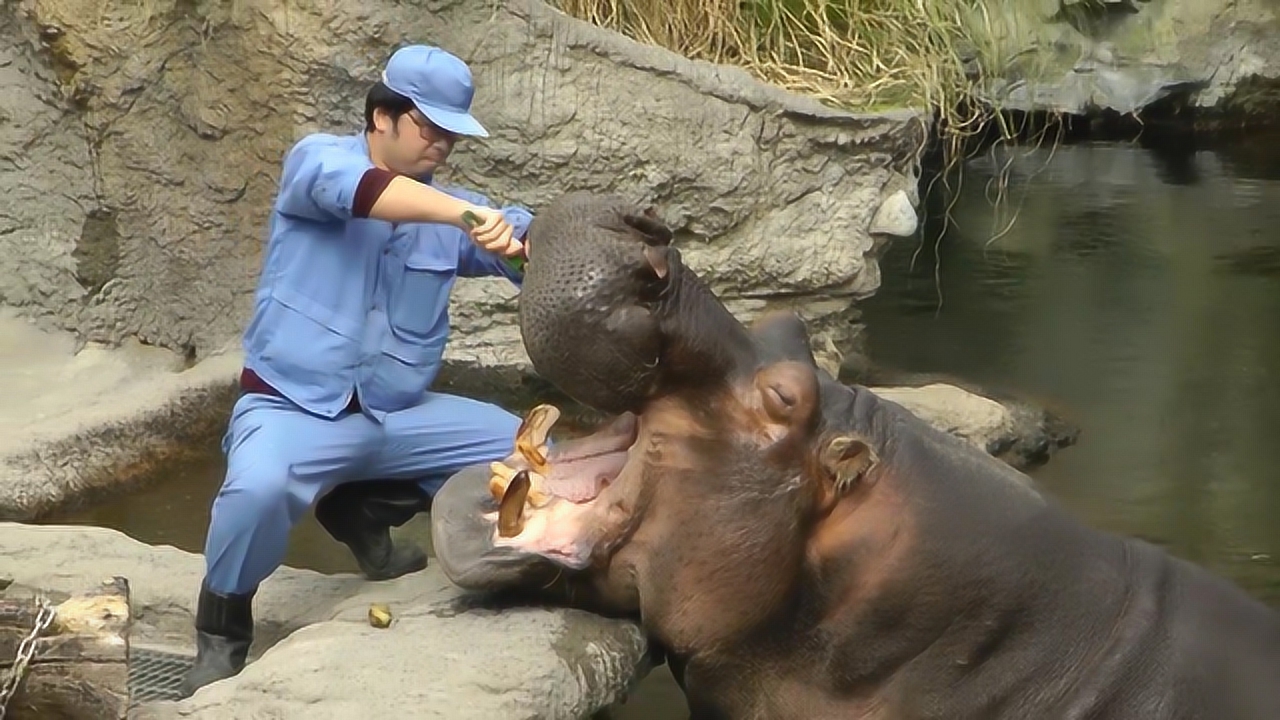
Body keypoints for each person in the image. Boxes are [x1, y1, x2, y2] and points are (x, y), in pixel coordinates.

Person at [179, 44, 534, 696]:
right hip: (291, 408)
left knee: (529, 456)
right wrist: (467, 216)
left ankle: (364, 507)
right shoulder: (318, 161)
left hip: (394, 418)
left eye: (452, 134)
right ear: (381, 117)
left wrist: (526, 244)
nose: (443, 146)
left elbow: (523, 242)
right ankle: (222, 628)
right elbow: (366, 194)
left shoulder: (456, 208)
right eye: (430, 128)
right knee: (256, 491)